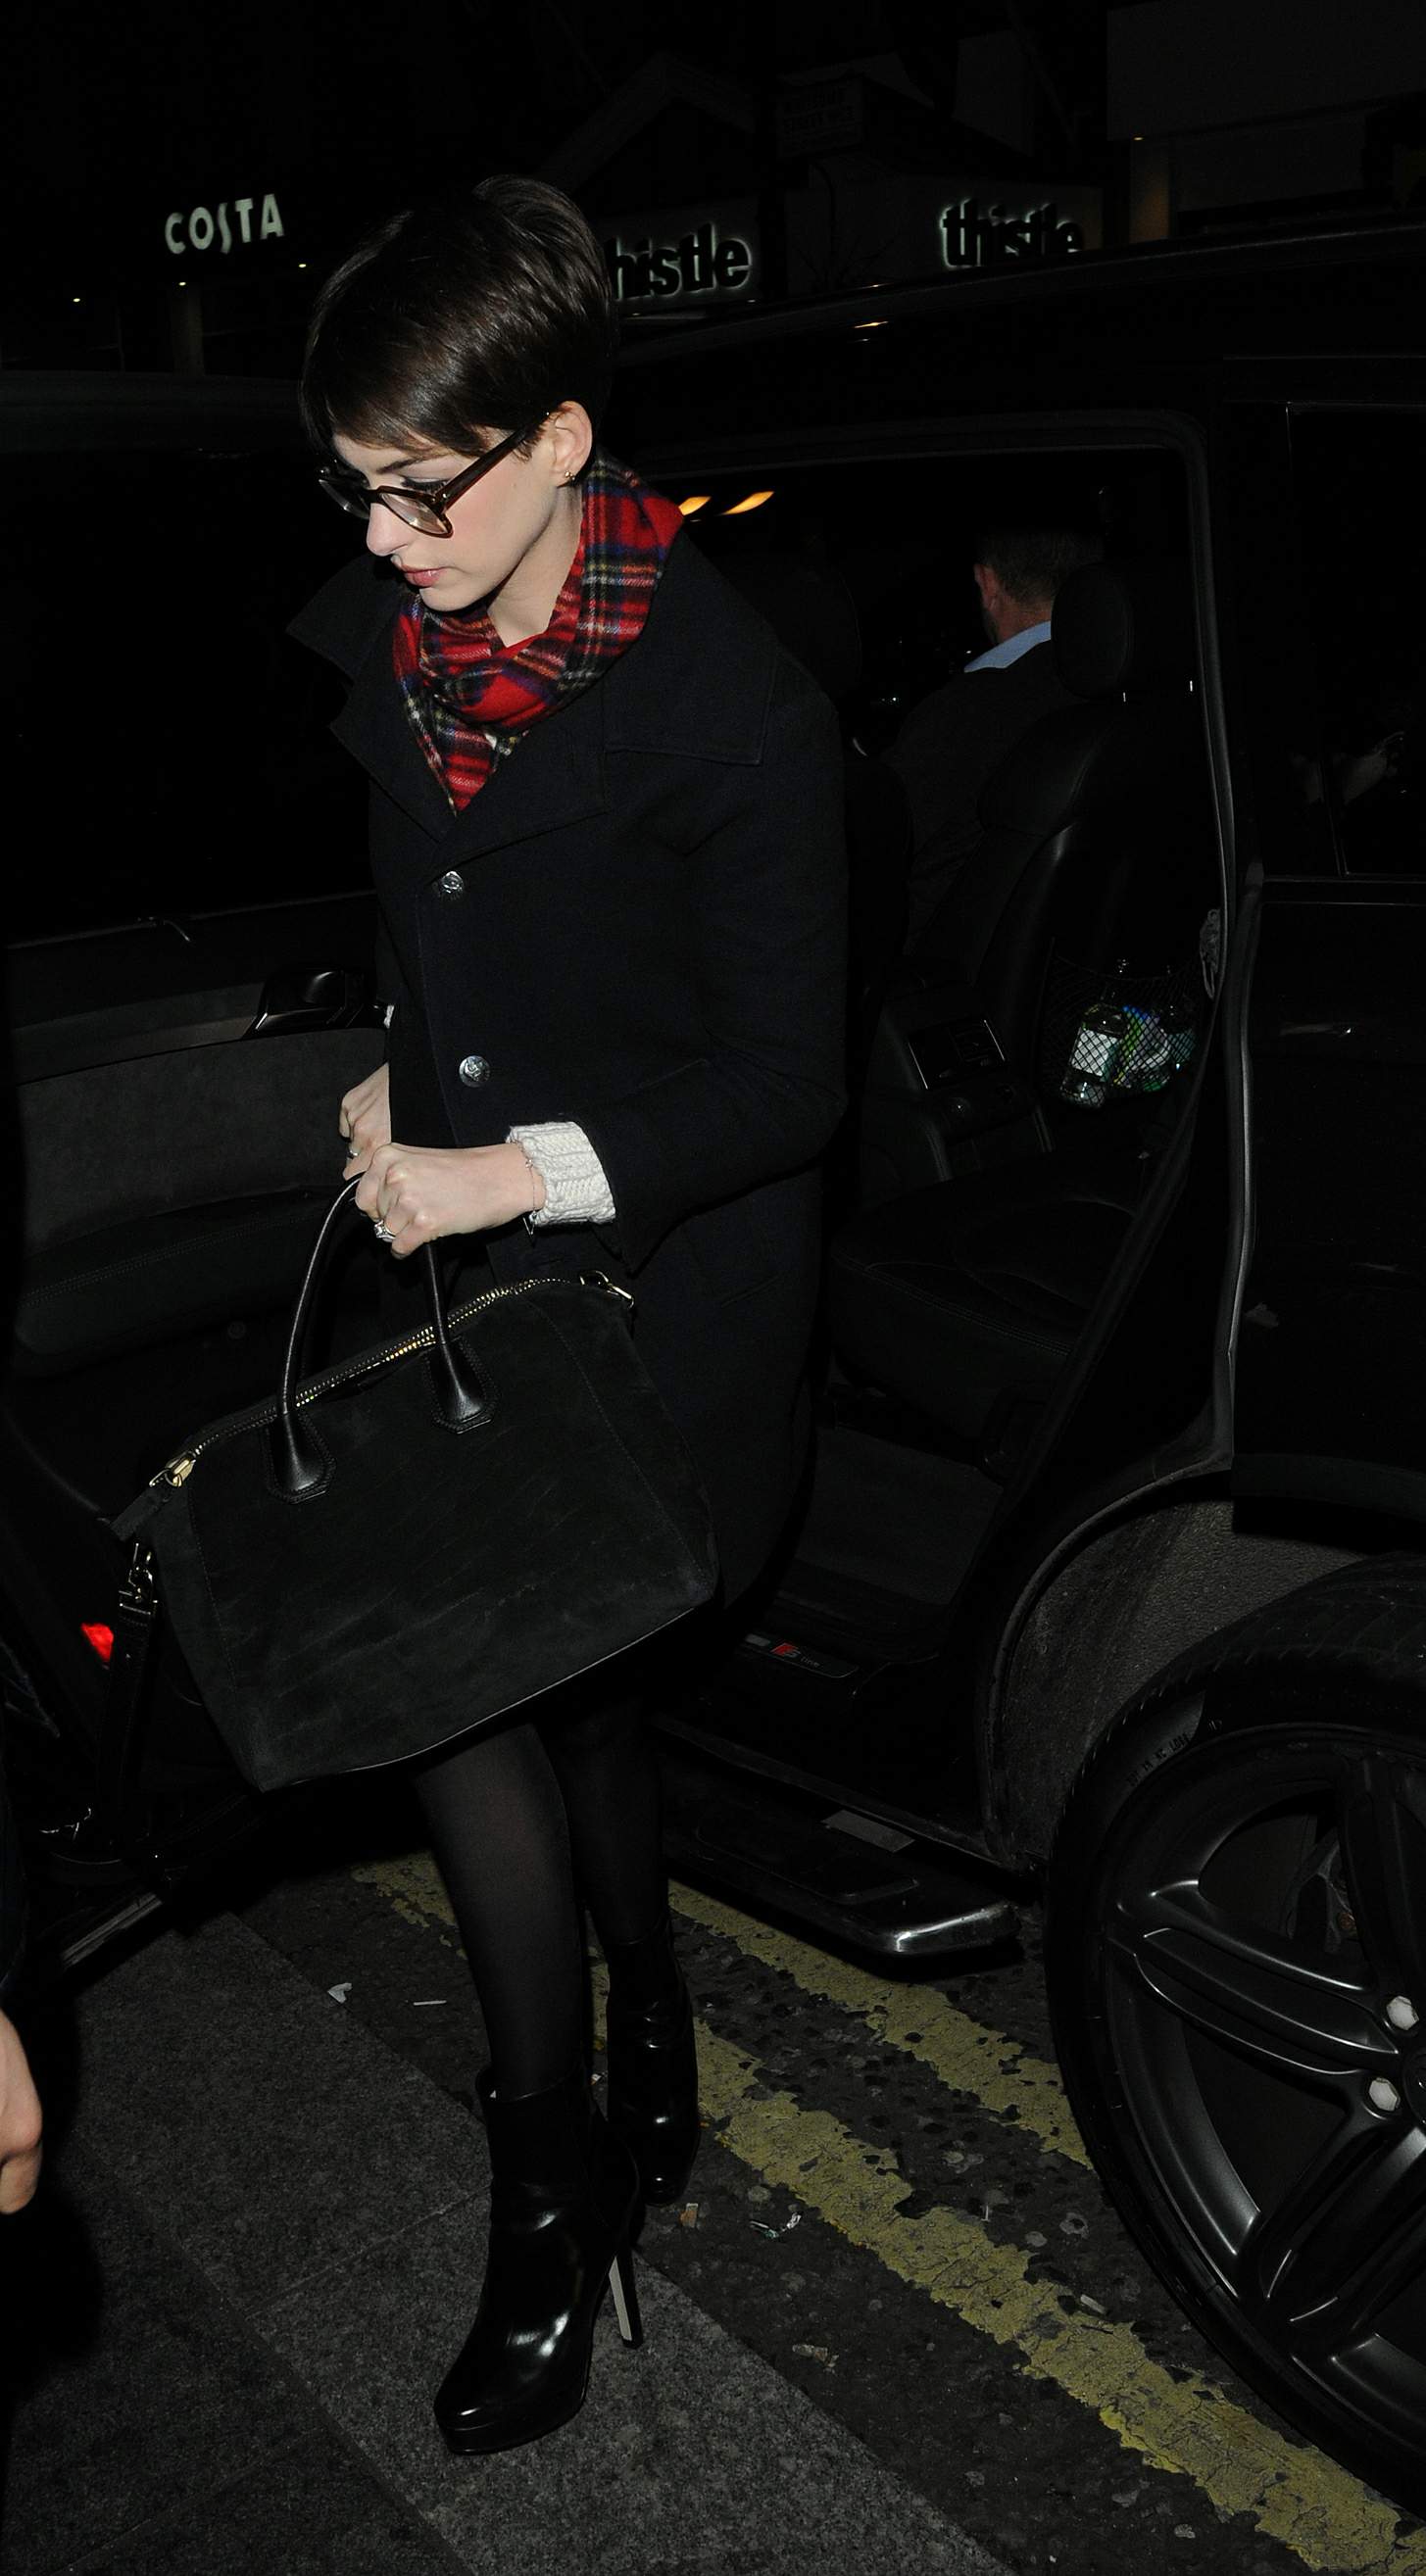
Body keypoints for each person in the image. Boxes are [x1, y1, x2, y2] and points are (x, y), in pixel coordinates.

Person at [293, 175, 846, 2455]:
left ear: (556, 446)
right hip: (472, 1275)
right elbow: (465, 923)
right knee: (576, 1720)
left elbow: (775, 1080)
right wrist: (404, 1056)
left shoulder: (731, 707)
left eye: (416, 496)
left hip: (659, 1315)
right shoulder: (409, 643)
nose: (379, 542)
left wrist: (494, 1164)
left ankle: (550, 2203)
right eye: (347, 492)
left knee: (464, 1690)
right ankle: (647, 2058)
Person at [888, 518, 1103, 948]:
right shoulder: (1122, 689)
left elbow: (872, 859)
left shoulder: (962, 714)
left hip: (942, 986)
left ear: (986, 582)